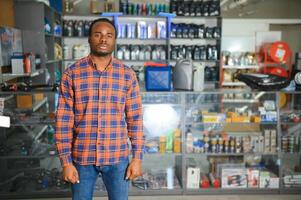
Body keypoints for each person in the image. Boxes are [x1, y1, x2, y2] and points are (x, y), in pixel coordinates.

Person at [55, 18, 145, 200]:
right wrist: (66, 162)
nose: (103, 39)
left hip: (117, 158)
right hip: (82, 158)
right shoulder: (72, 74)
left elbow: (135, 120)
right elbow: (63, 122)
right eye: (98, 34)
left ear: (114, 40)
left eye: (109, 35)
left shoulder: (127, 75)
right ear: (89, 39)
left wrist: (137, 158)